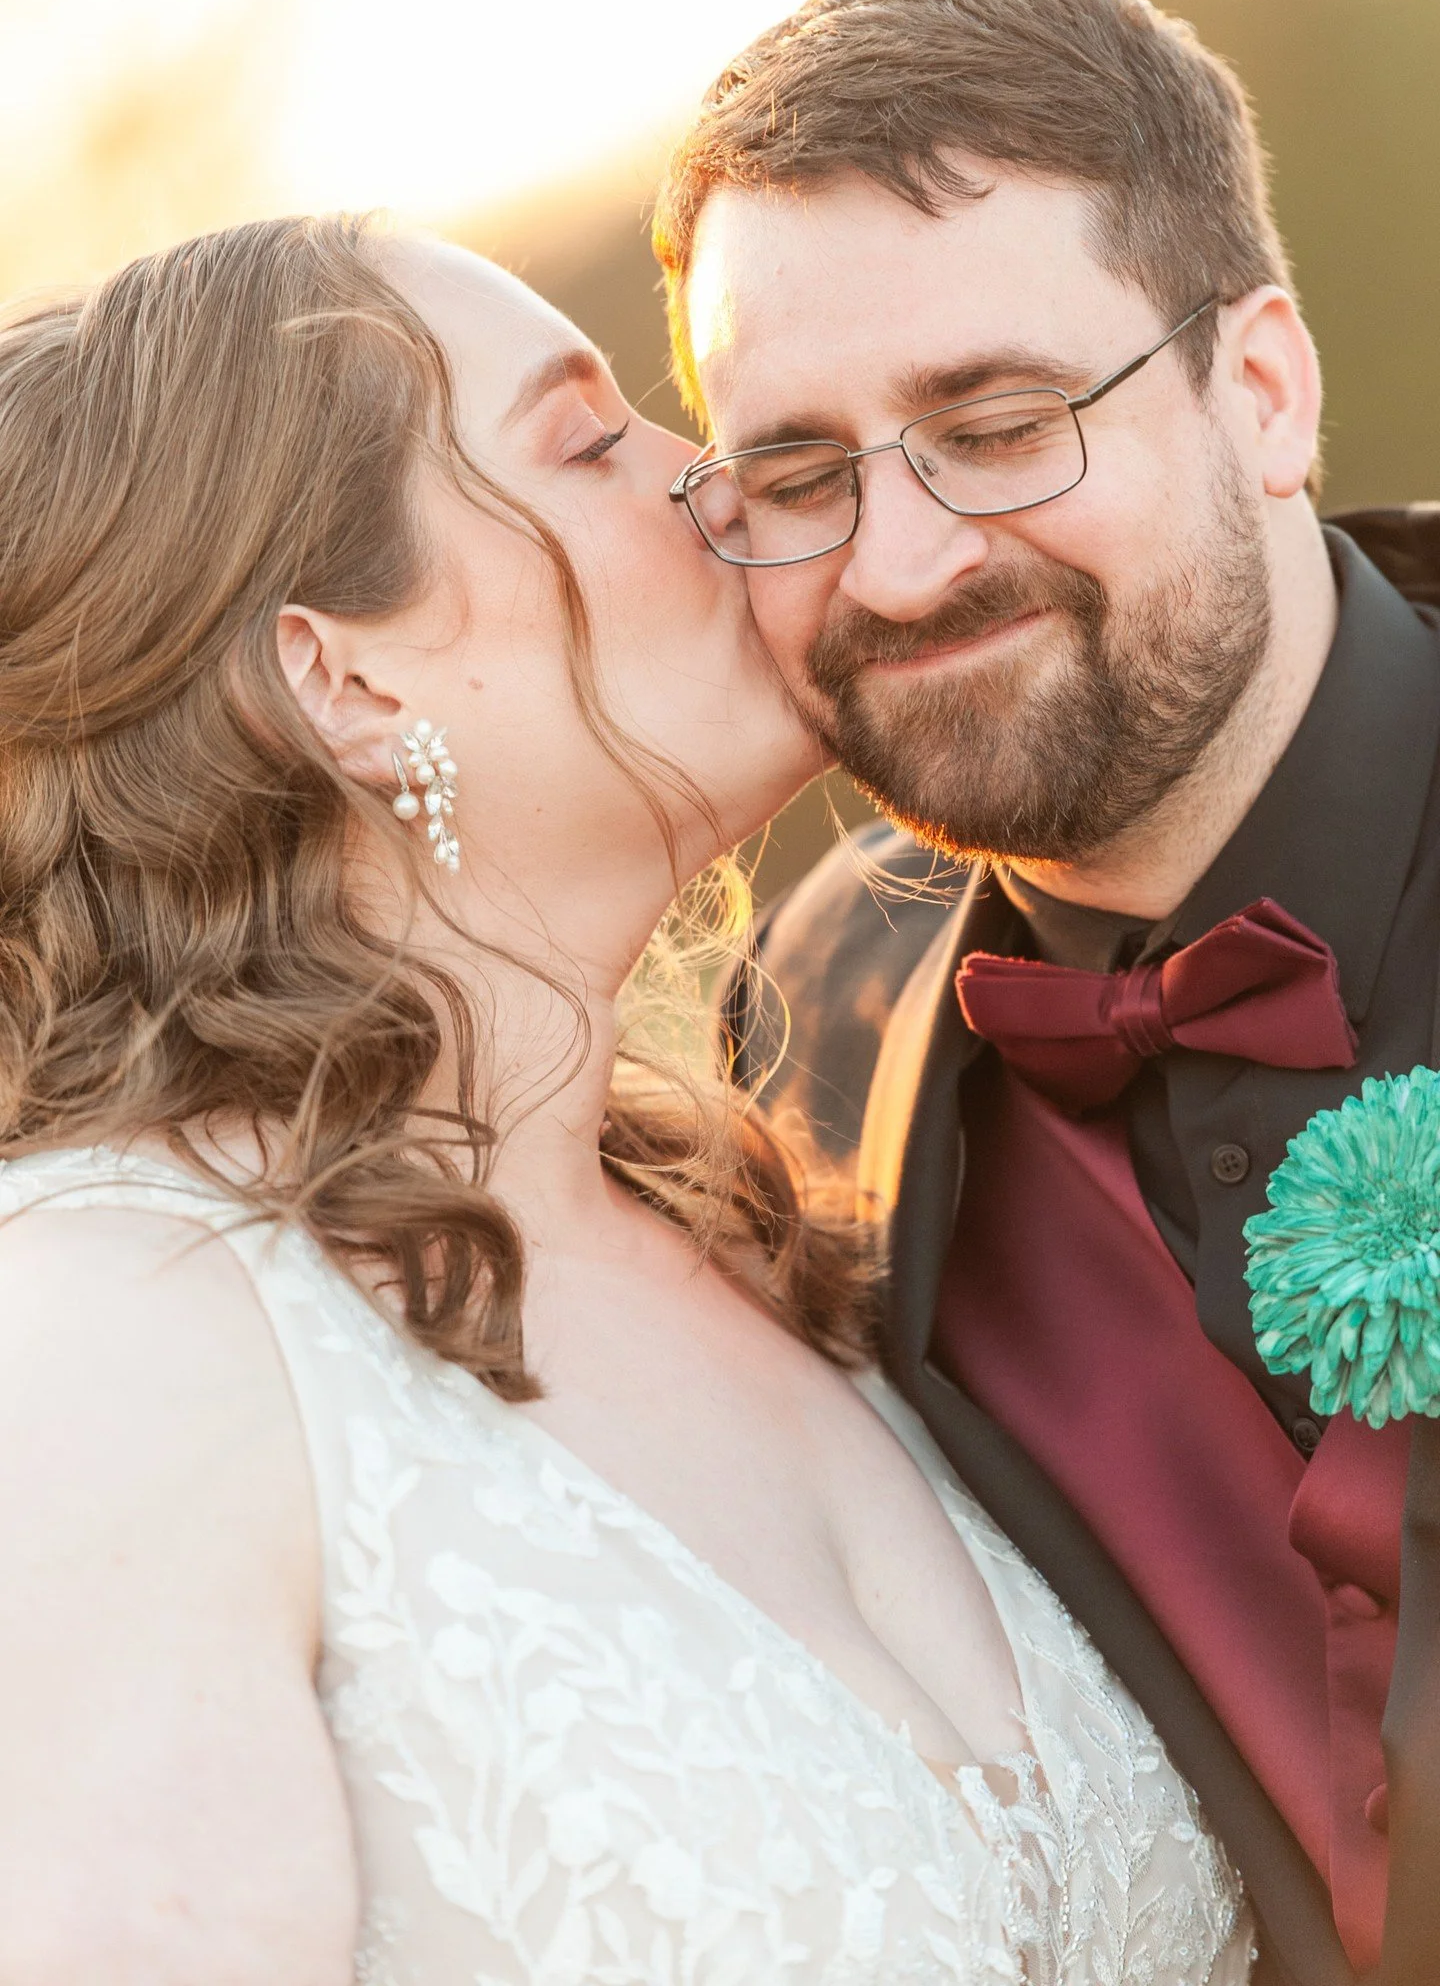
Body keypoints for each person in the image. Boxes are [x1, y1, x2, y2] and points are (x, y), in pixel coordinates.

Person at [0, 214, 1251, 1984]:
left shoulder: (782, 1251)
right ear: (344, 679)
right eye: (592, 445)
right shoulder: (120, 1336)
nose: (724, 486)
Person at [654, 0, 1440, 1986]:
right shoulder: (805, 1038)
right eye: (802, 476)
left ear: (1260, 388)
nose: (901, 565)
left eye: (998, 425)